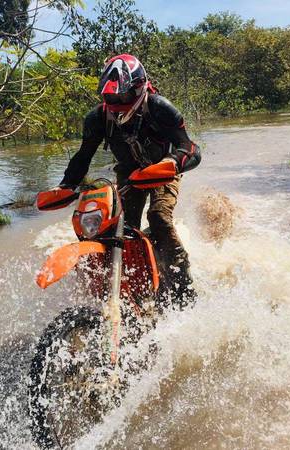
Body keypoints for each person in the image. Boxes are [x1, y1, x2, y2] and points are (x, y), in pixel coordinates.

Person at [58, 54, 201, 304]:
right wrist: (65, 186)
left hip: (162, 170)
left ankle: (183, 283)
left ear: (138, 88)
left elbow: (189, 148)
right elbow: (83, 156)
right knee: (120, 229)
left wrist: (172, 163)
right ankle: (128, 283)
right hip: (128, 173)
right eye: (112, 97)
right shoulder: (97, 118)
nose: (118, 102)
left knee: (158, 217)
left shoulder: (160, 108)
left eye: (123, 97)